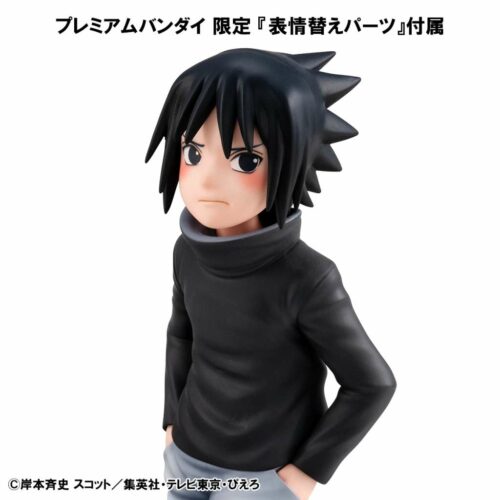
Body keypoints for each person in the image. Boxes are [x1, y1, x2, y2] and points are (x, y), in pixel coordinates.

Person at [145, 48, 397, 500]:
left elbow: (371, 383)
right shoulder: (186, 252)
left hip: (263, 475)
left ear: (291, 161)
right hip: (186, 454)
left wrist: (306, 471)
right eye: (193, 151)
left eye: (245, 160)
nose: (206, 180)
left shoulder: (308, 278)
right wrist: (171, 422)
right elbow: (180, 335)